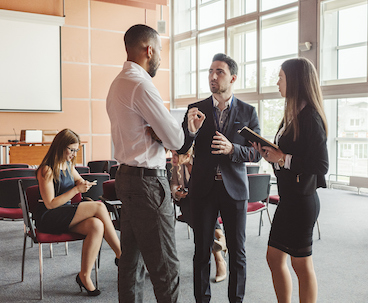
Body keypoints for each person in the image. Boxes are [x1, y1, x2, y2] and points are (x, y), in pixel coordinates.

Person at [106, 24, 184, 302]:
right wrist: (180, 131)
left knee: (131, 262)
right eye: (160, 50)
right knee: (166, 268)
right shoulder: (141, 84)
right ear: (149, 50)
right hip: (148, 183)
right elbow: (176, 138)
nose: (161, 57)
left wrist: (157, 132)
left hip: (125, 177)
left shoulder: (117, 84)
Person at [178, 53, 261, 303]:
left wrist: (233, 150)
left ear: (233, 77)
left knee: (238, 253)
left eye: (220, 72)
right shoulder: (196, 109)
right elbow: (181, 148)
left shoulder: (248, 111)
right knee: (201, 251)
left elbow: (258, 152)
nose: (213, 76)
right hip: (202, 190)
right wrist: (190, 133)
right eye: (211, 71)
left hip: (234, 190)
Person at [253, 57, 328, 303]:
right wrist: (272, 156)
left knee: (301, 265)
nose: (277, 82)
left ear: (295, 81)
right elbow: (286, 158)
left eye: (281, 77)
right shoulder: (291, 115)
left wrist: (283, 158)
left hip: (302, 202)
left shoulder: (310, 117)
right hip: (289, 200)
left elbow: (320, 165)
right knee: (274, 258)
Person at [34, 128, 121, 297]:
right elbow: (50, 204)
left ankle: (84, 276)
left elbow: (79, 180)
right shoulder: (46, 170)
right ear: (60, 147)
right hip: (49, 217)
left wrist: (84, 183)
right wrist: (76, 190)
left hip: (65, 214)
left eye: (76, 150)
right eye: (71, 150)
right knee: (99, 207)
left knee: (96, 225)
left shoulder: (68, 165)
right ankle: (121, 255)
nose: (74, 154)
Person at [169, 149, 228, 283]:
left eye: (176, 155)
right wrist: (176, 192)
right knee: (197, 217)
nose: (172, 157)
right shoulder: (177, 167)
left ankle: (219, 256)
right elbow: (173, 183)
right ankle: (221, 243)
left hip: (205, 199)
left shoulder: (201, 162)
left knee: (205, 216)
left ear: (187, 155)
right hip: (187, 202)